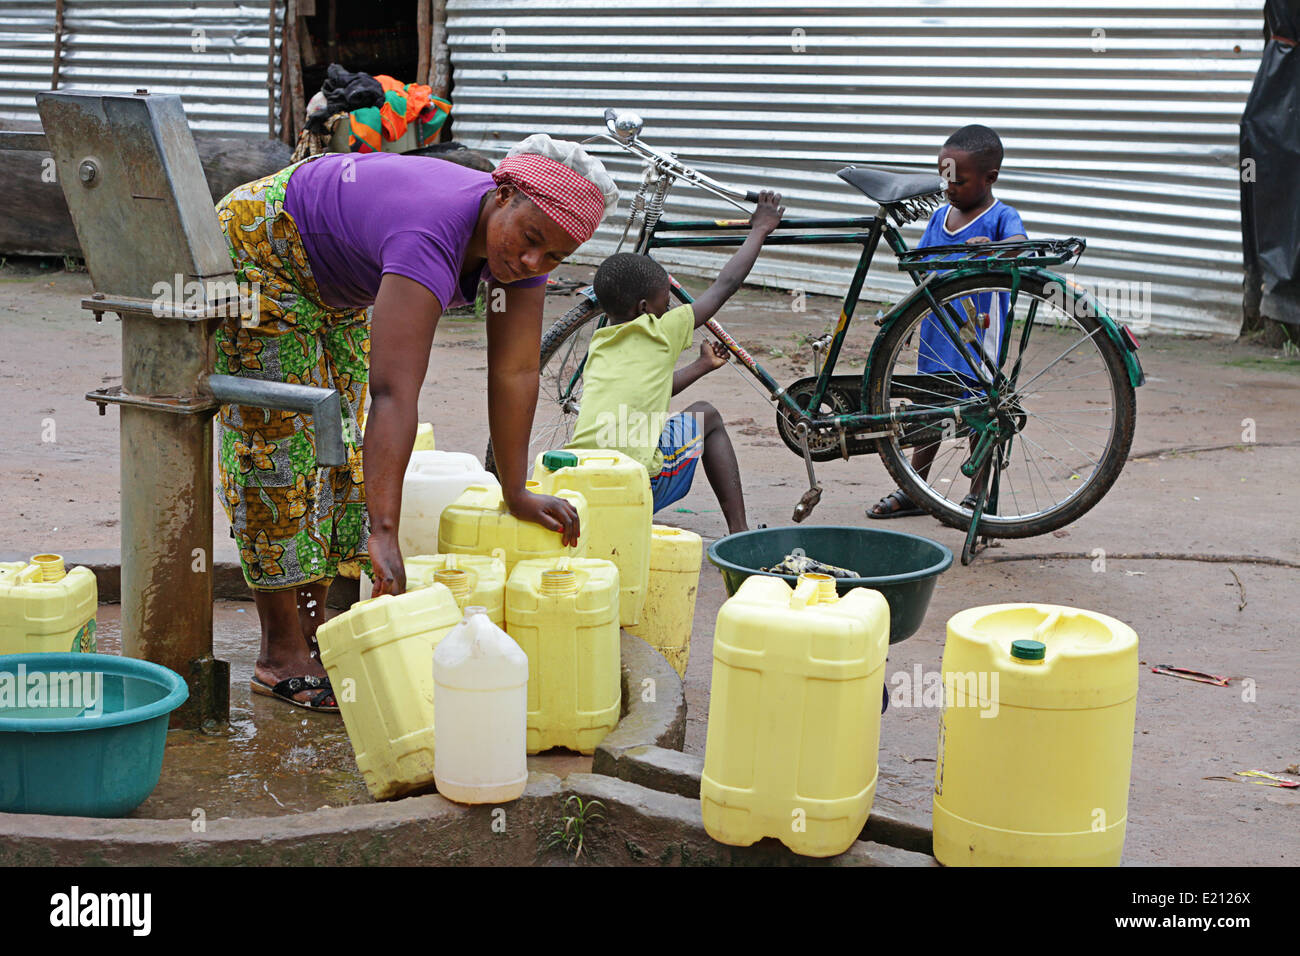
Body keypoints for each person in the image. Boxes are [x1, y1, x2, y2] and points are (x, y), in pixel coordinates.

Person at [214, 134, 617, 710]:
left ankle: (310, 636)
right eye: (530, 242)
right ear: (502, 194)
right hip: (265, 245)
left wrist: (514, 489)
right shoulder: (430, 231)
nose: (533, 263)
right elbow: (395, 393)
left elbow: (516, 372)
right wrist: (384, 530)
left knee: (336, 445)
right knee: (279, 444)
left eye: (554, 256)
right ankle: (281, 655)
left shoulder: (523, 253)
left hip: (334, 284)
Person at [567, 191, 786, 534]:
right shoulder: (659, 330)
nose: (669, 308)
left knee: (658, 421)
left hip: (583, 481)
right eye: (665, 302)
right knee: (708, 416)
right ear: (643, 308)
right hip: (639, 484)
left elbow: (648, 392)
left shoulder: (600, 343)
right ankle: (740, 532)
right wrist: (760, 229)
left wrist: (701, 366)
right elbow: (724, 286)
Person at [869, 124, 1027, 519]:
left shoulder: (1000, 217)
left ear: (990, 178)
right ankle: (915, 489)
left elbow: (1020, 244)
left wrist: (993, 248)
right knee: (928, 407)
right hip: (935, 332)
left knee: (980, 411)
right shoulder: (940, 217)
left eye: (959, 179)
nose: (948, 186)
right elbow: (921, 270)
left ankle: (977, 494)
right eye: (943, 176)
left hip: (978, 333)